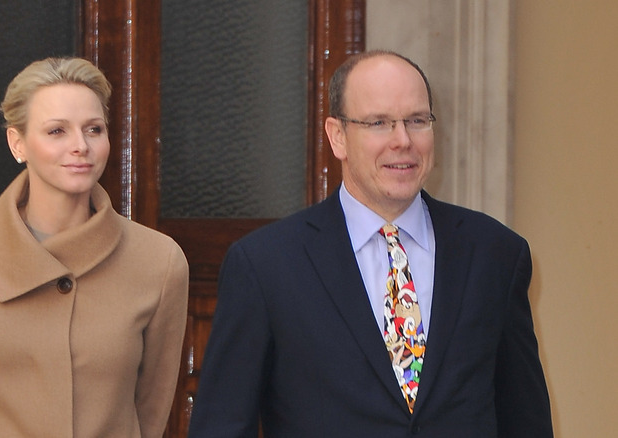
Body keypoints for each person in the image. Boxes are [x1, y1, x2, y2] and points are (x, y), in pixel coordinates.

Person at [187, 50, 553, 437]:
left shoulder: (495, 254)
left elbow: (525, 420)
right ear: (338, 136)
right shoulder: (265, 265)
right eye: (379, 123)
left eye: (417, 120)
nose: (403, 141)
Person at [0, 57, 189, 438]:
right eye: (57, 131)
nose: (80, 146)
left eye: (94, 129)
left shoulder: (160, 261)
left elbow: (150, 413)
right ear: (18, 142)